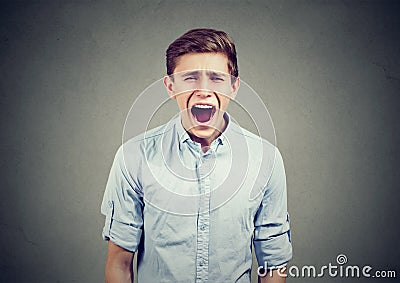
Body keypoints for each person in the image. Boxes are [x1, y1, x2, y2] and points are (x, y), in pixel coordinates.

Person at [101, 28, 292, 283]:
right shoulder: (133, 157)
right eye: (190, 77)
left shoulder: (266, 159)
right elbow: (119, 264)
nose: (203, 89)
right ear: (171, 86)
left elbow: (273, 266)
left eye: (216, 78)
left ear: (234, 87)